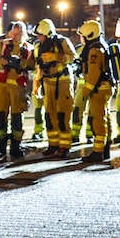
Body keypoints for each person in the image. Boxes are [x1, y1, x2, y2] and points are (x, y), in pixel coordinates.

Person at [0, 21, 35, 160]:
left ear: (23, 34)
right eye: (13, 33)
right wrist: (0, 63)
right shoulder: (3, 45)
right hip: (2, 86)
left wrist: (19, 63)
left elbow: (32, 64)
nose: (15, 36)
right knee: (0, 116)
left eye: (19, 33)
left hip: (17, 88)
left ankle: (16, 147)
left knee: (17, 118)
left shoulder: (28, 48)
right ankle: (1, 147)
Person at [33, 18, 77, 157]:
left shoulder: (62, 42)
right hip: (47, 82)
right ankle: (53, 144)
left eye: (41, 35)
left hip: (62, 81)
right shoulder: (38, 46)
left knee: (62, 114)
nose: (39, 38)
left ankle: (64, 146)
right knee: (49, 115)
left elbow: (73, 57)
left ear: (48, 33)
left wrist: (57, 57)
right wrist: (37, 84)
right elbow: (38, 66)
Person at [77, 20, 114, 162]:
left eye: (83, 35)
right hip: (104, 88)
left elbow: (94, 74)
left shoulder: (94, 50)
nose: (81, 38)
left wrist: (86, 91)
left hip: (99, 90)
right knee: (105, 117)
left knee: (98, 120)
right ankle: (105, 148)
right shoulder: (100, 46)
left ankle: (98, 152)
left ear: (89, 35)